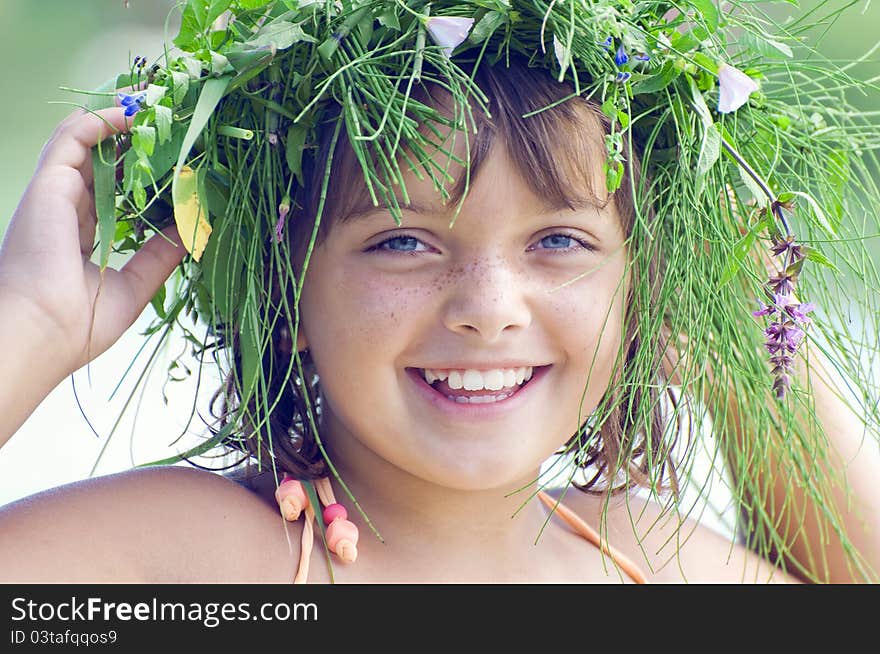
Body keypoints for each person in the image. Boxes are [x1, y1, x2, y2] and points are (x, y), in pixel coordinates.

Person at [0, 0, 878, 584]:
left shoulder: (643, 558)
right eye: (403, 241)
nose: (489, 305)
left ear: (641, 287)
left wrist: (754, 353)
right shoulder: (200, 557)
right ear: (285, 288)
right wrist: (30, 324)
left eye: (560, 241)